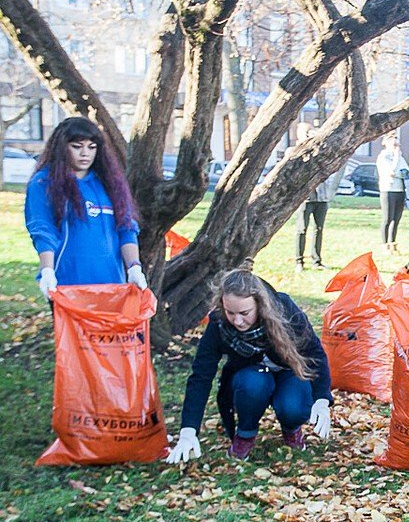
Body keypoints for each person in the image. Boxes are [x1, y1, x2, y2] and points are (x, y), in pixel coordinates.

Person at [166, 270, 333, 462]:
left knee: (293, 407)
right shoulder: (219, 323)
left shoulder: (285, 309)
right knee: (252, 384)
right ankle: (245, 434)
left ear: (259, 305)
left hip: (289, 371)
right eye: (231, 312)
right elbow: (201, 376)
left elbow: (315, 353)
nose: (237, 321)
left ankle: (291, 429)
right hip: (251, 375)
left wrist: (321, 399)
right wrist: (188, 430)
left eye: (245, 313)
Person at [25, 116, 145, 299]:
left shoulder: (110, 183)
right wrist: (47, 271)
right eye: (77, 146)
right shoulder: (43, 183)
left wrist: (134, 267)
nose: (85, 154)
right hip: (67, 286)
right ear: (62, 147)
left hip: (113, 285)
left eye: (91, 147)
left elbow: (126, 228)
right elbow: (43, 230)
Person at [294, 121, 331, 270]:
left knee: (319, 228)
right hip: (306, 197)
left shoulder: (319, 150)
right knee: (302, 229)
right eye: (307, 132)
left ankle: (317, 260)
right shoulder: (296, 150)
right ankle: (299, 261)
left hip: (321, 196)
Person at [375, 134, 409, 254]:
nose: (397, 147)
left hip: (400, 189)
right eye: (394, 144)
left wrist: (399, 169)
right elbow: (391, 172)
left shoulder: (400, 157)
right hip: (388, 189)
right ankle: (385, 244)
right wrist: (396, 158)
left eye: (397, 145)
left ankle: (393, 243)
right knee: (388, 218)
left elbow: (406, 172)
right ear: (386, 143)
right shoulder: (383, 157)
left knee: (396, 219)